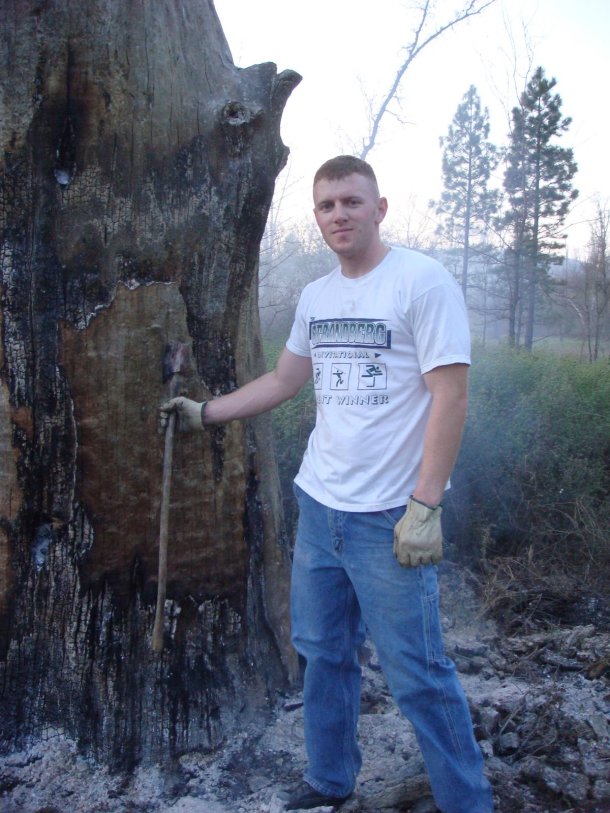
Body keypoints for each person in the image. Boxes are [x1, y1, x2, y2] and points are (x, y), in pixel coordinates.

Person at [160, 155, 494, 813]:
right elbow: (285, 382)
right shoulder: (318, 297)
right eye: (326, 205)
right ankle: (331, 781)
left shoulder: (421, 283)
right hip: (319, 507)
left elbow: (450, 396)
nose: (338, 214)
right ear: (316, 217)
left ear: (379, 207)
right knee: (322, 653)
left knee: (419, 675)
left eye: (350, 201)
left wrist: (426, 503)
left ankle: (469, 802)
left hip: (389, 518)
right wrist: (207, 411)